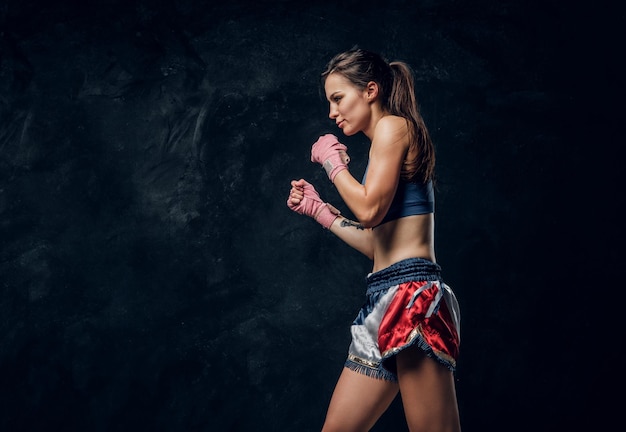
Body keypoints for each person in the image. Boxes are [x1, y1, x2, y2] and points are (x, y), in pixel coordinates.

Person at [287, 48, 462, 432]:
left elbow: (369, 211)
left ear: (370, 90)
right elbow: (378, 243)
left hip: (411, 300)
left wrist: (332, 162)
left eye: (338, 98)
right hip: (384, 296)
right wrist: (321, 211)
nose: (333, 113)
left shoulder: (392, 127)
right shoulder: (383, 142)